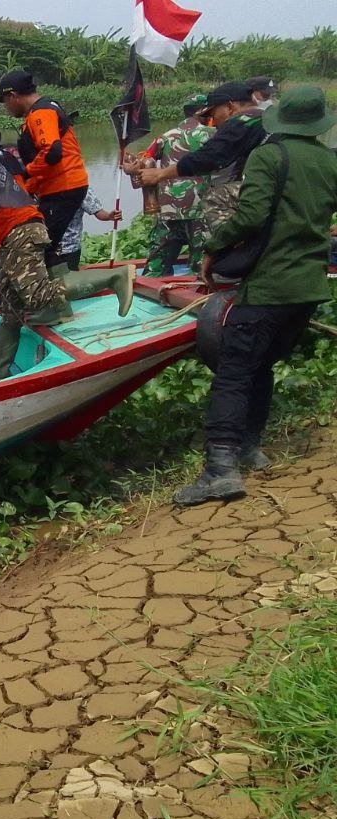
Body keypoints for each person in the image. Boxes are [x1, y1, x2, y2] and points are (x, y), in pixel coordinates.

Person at [173, 86, 337, 508]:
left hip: (269, 285)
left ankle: (220, 470)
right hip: (308, 288)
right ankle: (250, 447)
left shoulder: (269, 156)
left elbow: (250, 216)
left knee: (234, 371)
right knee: (262, 364)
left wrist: (214, 248)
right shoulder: (327, 161)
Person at [0, 117, 134, 384]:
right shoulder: (3, 156)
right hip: (16, 231)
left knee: (37, 294)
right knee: (9, 305)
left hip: (18, 232)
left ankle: (114, 277)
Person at [140, 82, 265, 238]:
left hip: (266, 188)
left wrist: (160, 174)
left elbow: (209, 157)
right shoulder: (265, 117)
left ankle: (227, 244)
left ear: (229, 106)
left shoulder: (243, 120)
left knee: (215, 197)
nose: (213, 121)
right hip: (284, 182)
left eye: (213, 115)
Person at [0, 69, 90, 265]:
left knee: (37, 247)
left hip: (64, 187)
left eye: (5, 102)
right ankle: (58, 285)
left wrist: (27, 173)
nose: (6, 107)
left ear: (12, 96)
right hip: (61, 187)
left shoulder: (42, 112)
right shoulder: (42, 110)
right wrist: (25, 189)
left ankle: (59, 289)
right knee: (42, 247)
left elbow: (52, 152)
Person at [126, 95, 213, 276]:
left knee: (159, 255)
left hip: (166, 206)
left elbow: (144, 161)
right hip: (199, 205)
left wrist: (130, 168)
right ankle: (196, 290)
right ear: (203, 111)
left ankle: (150, 287)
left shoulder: (165, 137)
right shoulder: (212, 134)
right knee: (200, 255)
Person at [51, 187, 121, 272]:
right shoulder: (44, 186)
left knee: (68, 281)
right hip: (48, 248)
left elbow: (99, 212)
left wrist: (110, 216)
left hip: (70, 248)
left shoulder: (80, 188)